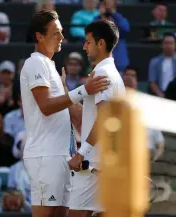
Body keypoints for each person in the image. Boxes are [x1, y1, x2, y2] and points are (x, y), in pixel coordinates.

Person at [20, 10, 110, 217]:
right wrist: (84, 90)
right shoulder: (35, 63)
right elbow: (46, 106)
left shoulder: (51, 67)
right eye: (55, 33)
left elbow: (71, 113)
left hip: (62, 156)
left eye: (61, 32)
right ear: (39, 36)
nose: (62, 37)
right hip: (46, 156)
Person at [68, 20, 125, 217]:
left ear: (100, 43)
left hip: (94, 162)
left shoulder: (103, 72)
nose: (84, 47)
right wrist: (66, 95)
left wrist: (81, 154)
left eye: (88, 42)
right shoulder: (113, 73)